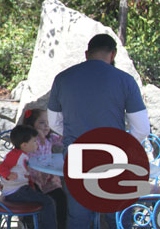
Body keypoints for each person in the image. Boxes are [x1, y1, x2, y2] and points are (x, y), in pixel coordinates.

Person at [47, 33, 150, 229]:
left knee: (79, 218)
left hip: (78, 155)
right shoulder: (125, 80)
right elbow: (142, 128)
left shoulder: (62, 78)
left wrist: (73, 134)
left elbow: (54, 122)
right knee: (117, 218)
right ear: (113, 54)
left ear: (87, 54)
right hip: (114, 155)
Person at [0, 124, 57, 229]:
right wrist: (8, 175)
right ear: (24, 145)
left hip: (20, 190)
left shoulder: (22, 154)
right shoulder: (15, 155)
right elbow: (2, 167)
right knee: (48, 202)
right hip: (15, 192)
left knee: (43, 198)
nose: (37, 144)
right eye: (34, 141)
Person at [23, 108, 67, 229]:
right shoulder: (27, 140)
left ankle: (60, 226)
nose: (46, 126)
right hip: (31, 180)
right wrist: (36, 135)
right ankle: (31, 224)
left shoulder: (50, 138)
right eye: (42, 123)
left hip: (47, 179)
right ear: (31, 124)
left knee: (61, 198)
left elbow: (64, 141)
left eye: (48, 123)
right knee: (39, 202)